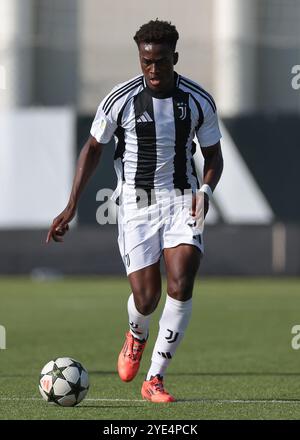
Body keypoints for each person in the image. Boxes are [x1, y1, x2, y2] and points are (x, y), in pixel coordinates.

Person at [46, 19, 223, 403]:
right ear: (140, 59)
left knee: (182, 280)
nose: (154, 70)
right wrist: (71, 204)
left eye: (161, 61)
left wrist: (206, 190)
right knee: (147, 298)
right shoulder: (120, 99)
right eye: (147, 62)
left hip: (181, 199)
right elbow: (93, 149)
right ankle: (136, 333)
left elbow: (213, 157)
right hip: (136, 205)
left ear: (174, 57)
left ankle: (155, 379)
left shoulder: (197, 100)